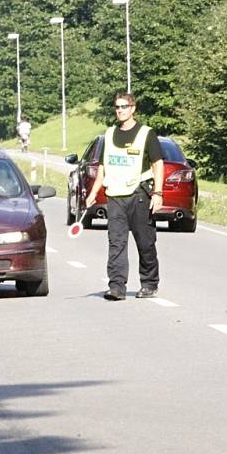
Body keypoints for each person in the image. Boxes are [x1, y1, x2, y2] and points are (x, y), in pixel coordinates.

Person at [86, 93, 164, 301]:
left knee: (145, 242)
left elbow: (158, 165)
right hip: (115, 198)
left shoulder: (146, 134)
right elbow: (102, 167)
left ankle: (149, 283)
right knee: (116, 242)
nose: (119, 110)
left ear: (133, 108)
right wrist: (93, 193)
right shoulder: (110, 134)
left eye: (124, 106)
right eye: (117, 107)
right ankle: (117, 286)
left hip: (139, 195)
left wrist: (158, 193)